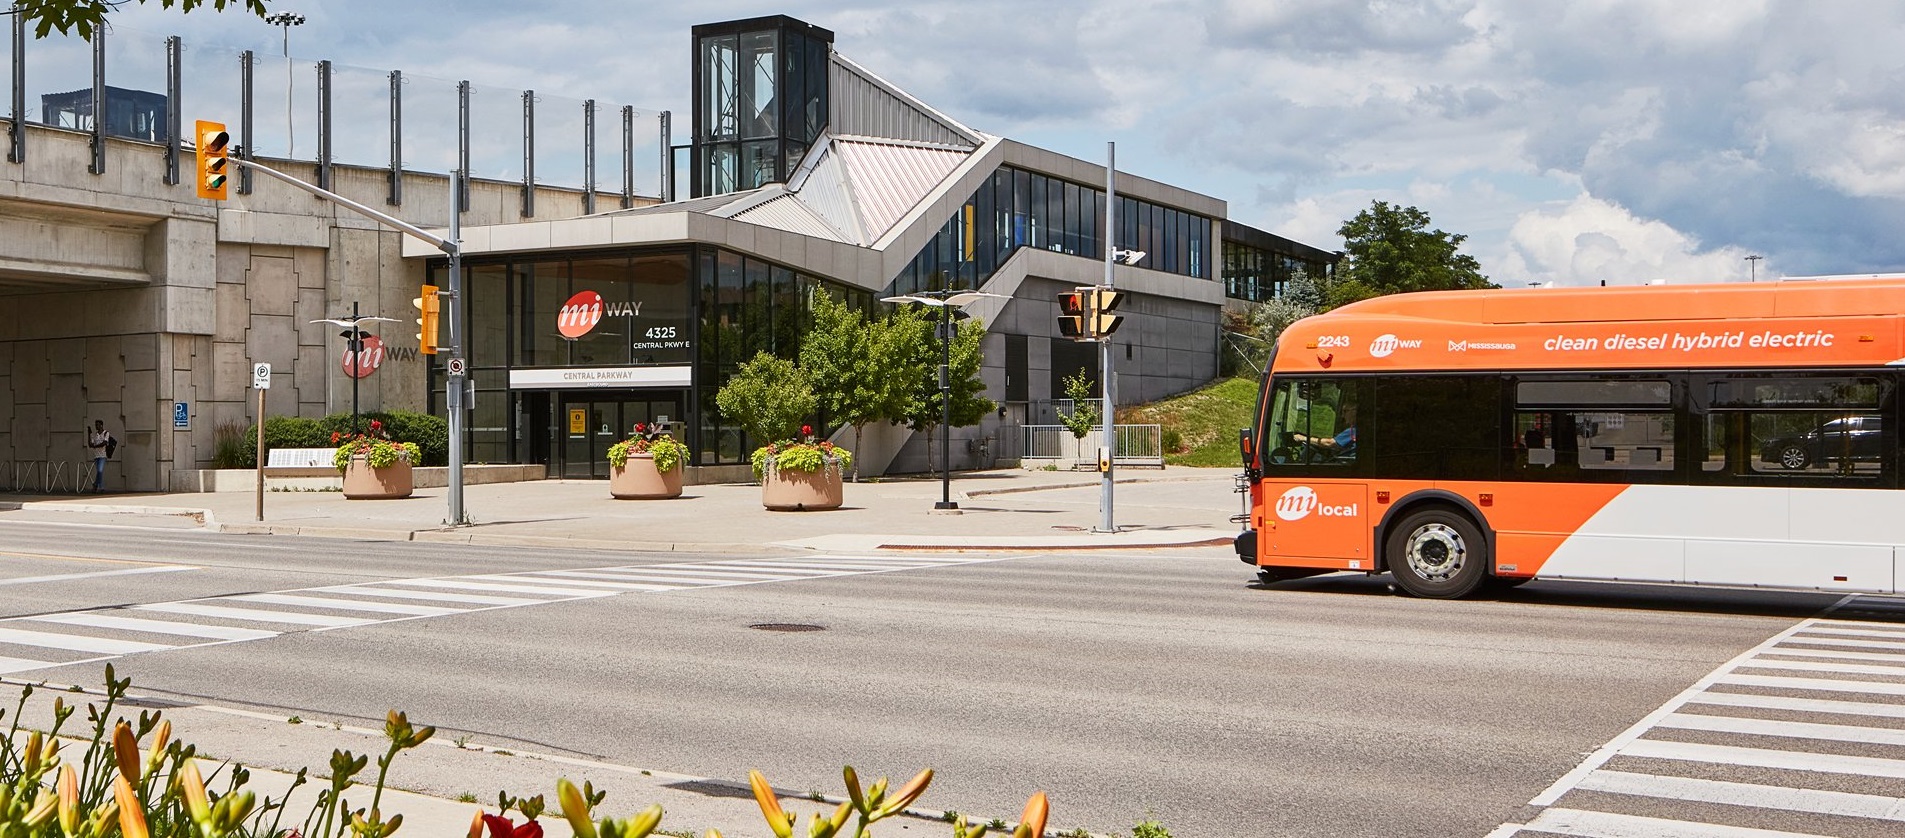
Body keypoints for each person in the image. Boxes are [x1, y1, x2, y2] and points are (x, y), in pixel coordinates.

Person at [86, 419, 113, 491]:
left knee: (100, 471)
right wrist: (89, 434)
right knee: (98, 471)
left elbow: (104, 443)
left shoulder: (106, 433)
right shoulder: (95, 434)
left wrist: (95, 446)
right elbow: (90, 444)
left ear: (101, 425)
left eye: (97, 425)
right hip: (96, 456)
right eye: (95, 425)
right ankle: (98, 486)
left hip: (103, 456)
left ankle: (98, 486)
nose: (96, 426)